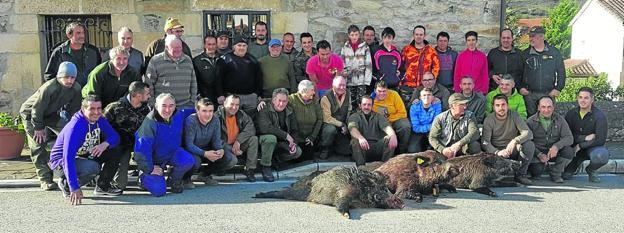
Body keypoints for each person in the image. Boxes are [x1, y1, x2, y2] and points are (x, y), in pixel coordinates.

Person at [20, 62, 82, 191]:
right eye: (66, 77)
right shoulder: (49, 88)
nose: (70, 80)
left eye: (72, 77)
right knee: (38, 144)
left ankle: (71, 170)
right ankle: (45, 179)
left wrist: (73, 128)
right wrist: (38, 127)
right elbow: (37, 109)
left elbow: (74, 111)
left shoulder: (76, 88)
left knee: (70, 136)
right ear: (59, 77)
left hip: (50, 114)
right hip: (31, 115)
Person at [50, 95, 121, 204]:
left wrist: (105, 144)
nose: (96, 112)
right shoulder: (75, 127)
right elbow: (67, 158)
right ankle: (66, 184)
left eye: (99, 108)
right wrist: (74, 187)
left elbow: (115, 137)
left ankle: (102, 186)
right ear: (83, 109)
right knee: (93, 167)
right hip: (61, 161)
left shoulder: (99, 119)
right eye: (92, 109)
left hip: (85, 154)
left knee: (115, 151)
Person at [134, 93, 195, 196]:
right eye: (164, 106)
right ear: (156, 106)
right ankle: (143, 176)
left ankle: (172, 180)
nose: (168, 110)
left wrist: (204, 110)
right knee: (159, 191)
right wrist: (150, 168)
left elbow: (195, 110)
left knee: (188, 160)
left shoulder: (178, 114)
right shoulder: (150, 123)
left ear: (175, 106)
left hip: (171, 153)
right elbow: (141, 149)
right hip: (154, 161)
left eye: (171, 106)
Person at [103, 81, 151, 191]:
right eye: (147, 93)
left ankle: (145, 179)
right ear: (138, 96)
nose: (149, 96)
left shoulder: (146, 109)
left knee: (148, 152)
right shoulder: (114, 107)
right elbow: (102, 127)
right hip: (120, 145)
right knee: (120, 185)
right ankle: (107, 178)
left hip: (138, 144)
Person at [482, 94, 535, 185]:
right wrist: (497, 152)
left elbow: (527, 132)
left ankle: (520, 174)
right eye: (497, 105)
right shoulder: (489, 120)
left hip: (512, 149)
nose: (501, 108)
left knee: (529, 145)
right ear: (493, 107)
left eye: (503, 105)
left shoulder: (514, 115)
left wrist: (515, 140)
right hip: (496, 152)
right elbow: (485, 142)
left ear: (508, 105)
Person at [183, 99, 237, 188]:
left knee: (230, 159)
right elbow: (188, 145)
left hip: (207, 149)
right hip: (192, 150)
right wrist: (205, 154)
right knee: (196, 161)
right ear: (197, 110)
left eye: (210, 111)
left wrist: (220, 150)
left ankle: (205, 175)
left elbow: (216, 140)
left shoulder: (215, 120)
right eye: (204, 111)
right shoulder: (190, 121)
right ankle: (186, 178)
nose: (208, 114)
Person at [563, 87, 609, 183]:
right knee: (565, 176)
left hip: (592, 148)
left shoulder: (599, 116)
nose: (583, 100)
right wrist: (584, 138)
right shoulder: (571, 114)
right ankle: (574, 164)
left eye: (586, 98)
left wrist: (580, 145)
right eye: (580, 97)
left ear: (592, 100)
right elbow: (566, 135)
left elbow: (600, 140)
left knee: (601, 155)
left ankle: (591, 169)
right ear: (577, 98)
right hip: (574, 147)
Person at [257, 88, 303, 182]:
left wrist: (294, 143)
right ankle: (265, 166)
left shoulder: (289, 110)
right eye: (279, 100)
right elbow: (265, 128)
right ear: (273, 100)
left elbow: (294, 130)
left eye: (284, 101)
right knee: (271, 138)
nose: (281, 104)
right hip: (264, 140)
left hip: (281, 142)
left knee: (297, 151)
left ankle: (275, 161)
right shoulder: (264, 108)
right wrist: (286, 135)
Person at [520, 26, 566, 117]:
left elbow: (561, 72)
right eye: (530, 36)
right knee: (531, 120)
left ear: (542, 37)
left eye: (533, 36)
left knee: (549, 119)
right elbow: (518, 73)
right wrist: (520, 87)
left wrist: (558, 88)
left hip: (548, 93)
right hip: (530, 94)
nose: (530, 39)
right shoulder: (525, 54)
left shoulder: (554, 52)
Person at [525, 96, 574, 183]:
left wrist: (556, 146)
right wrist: (539, 154)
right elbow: (527, 141)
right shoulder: (530, 121)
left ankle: (556, 173)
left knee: (569, 151)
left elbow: (569, 138)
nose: (546, 110)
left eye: (549, 107)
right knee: (537, 171)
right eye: (543, 107)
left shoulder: (560, 120)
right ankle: (538, 169)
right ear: (538, 107)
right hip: (538, 151)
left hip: (554, 151)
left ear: (553, 107)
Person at [144, 35, 197, 109]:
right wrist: (152, 103)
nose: (178, 50)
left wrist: (192, 101)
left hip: (185, 105)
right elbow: (149, 83)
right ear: (166, 47)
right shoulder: (155, 61)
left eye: (179, 47)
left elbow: (193, 82)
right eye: (174, 48)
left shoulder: (188, 60)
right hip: (164, 107)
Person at [215, 37, 263, 118]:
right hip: (232, 97)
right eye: (239, 45)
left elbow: (259, 78)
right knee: (232, 119)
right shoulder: (224, 59)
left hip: (250, 98)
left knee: (250, 120)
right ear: (234, 47)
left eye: (244, 45)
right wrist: (220, 94)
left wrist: (258, 94)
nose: (242, 47)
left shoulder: (253, 60)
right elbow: (218, 78)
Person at [215, 95, 259, 182]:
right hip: (223, 147)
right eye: (231, 104)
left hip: (237, 144)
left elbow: (251, 128)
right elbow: (215, 139)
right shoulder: (217, 117)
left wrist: (239, 141)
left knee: (253, 139)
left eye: (237, 105)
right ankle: (219, 168)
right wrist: (231, 149)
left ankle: (250, 169)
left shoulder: (241, 114)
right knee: (233, 161)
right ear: (224, 103)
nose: (234, 107)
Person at [348, 96, 398, 166]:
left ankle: (384, 168)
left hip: (376, 147)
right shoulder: (354, 116)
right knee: (355, 141)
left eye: (369, 105)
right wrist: (360, 138)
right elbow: (352, 129)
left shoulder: (378, 116)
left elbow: (387, 127)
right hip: (361, 150)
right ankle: (361, 170)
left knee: (390, 138)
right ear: (360, 105)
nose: (366, 107)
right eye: (364, 104)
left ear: (372, 106)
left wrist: (393, 135)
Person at [429, 93, 481, 158]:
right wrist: (442, 150)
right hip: (445, 147)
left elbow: (474, 132)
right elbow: (432, 138)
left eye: (465, 104)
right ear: (452, 106)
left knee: (475, 145)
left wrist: (459, 144)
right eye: (461, 105)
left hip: (463, 146)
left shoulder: (470, 115)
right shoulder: (440, 118)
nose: (465, 107)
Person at [371, 81, 411, 154]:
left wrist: (389, 119)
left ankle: (401, 151)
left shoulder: (394, 94)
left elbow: (403, 113)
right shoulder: (371, 99)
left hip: (395, 120)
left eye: (384, 91)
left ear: (387, 90)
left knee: (405, 126)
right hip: (380, 123)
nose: (382, 94)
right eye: (379, 91)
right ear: (375, 91)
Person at [288, 80, 323, 160]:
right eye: (312, 90)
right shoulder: (292, 99)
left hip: (309, 139)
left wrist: (312, 136)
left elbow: (320, 119)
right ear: (304, 91)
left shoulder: (314, 101)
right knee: (296, 158)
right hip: (295, 138)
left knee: (308, 158)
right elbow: (276, 99)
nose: (314, 93)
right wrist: (262, 101)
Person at [341, 24, 373, 110]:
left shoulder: (364, 47)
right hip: (350, 80)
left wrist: (366, 80)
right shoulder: (345, 47)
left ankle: (361, 119)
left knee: (361, 102)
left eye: (356, 35)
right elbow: (342, 61)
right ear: (349, 35)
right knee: (350, 102)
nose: (354, 37)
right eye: (352, 35)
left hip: (361, 81)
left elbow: (369, 65)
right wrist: (344, 75)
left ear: (359, 35)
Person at [319, 76, 351, 159]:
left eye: (344, 85)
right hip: (330, 124)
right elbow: (326, 118)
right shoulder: (326, 97)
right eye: (339, 85)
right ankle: (325, 148)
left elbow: (349, 111)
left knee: (347, 151)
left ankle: (335, 146)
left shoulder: (348, 93)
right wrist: (342, 124)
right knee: (330, 130)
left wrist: (347, 125)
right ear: (333, 85)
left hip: (342, 127)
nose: (342, 87)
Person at [408, 88, 441, 153]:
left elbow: (437, 123)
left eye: (429, 95)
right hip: (418, 132)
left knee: (436, 149)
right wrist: (430, 126)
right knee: (412, 150)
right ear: (420, 97)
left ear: (432, 97)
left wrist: (432, 127)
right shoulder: (414, 107)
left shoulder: (437, 106)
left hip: (433, 131)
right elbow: (416, 128)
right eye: (424, 95)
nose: (426, 97)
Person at [193, 34, 220, 104]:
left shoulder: (222, 59)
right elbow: (194, 80)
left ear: (216, 45)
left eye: (213, 44)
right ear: (204, 45)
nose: (211, 47)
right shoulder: (196, 61)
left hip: (221, 98)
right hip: (204, 98)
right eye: (209, 44)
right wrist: (199, 96)